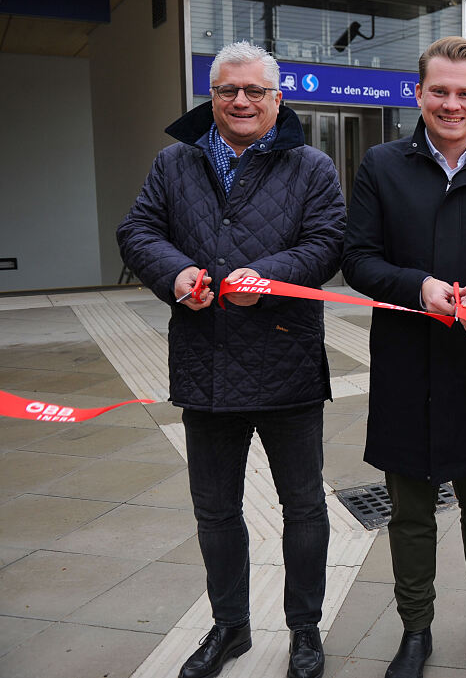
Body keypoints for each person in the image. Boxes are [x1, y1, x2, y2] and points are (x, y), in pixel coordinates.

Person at [117, 41, 345, 678]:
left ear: (278, 98)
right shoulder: (174, 161)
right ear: (210, 95)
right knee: (215, 510)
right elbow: (137, 230)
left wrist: (263, 276)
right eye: (226, 91)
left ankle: (304, 630)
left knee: (304, 508)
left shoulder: (311, 166)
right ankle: (230, 627)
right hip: (204, 361)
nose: (240, 101)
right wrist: (177, 272)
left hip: (288, 362)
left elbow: (328, 242)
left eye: (254, 91)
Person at [342, 37, 466, 678]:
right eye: (440, 91)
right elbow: (358, 259)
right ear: (419, 94)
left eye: (465, 93)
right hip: (405, 364)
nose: (452, 104)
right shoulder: (381, 165)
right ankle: (415, 627)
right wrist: (418, 287)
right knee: (409, 510)